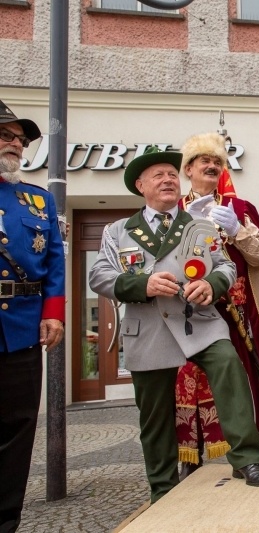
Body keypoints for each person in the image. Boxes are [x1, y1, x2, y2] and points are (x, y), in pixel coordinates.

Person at [89, 146, 259, 504]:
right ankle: (162, 485)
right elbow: (100, 276)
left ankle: (247, 460)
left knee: (229, 367)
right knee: (155, 412)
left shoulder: (198, 224)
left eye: (172, 175)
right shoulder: (118, 230)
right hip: (148, 328)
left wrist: (211, 284)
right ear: (141, 186)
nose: (168, 180)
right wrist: (142, 284)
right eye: (158, 175)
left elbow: (225, 266)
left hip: (199, 322)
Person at [173, 132, 259, 478]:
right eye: (205, 160)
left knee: (234, 381)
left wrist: (237, 231)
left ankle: (243, 457)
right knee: (185, 382)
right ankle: (189, 457)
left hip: (231, 311)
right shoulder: (173, 209)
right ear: (188, 169)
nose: (213, 166)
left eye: (217, 161)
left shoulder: (240, 209)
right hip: (184, 313)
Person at [0, 101, 65, 533]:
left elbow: (55, 262)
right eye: (6, 136)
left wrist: (53, 314)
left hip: (21, 332)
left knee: (17, 432)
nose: (17, 145)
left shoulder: (38, 199)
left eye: (20, 139)